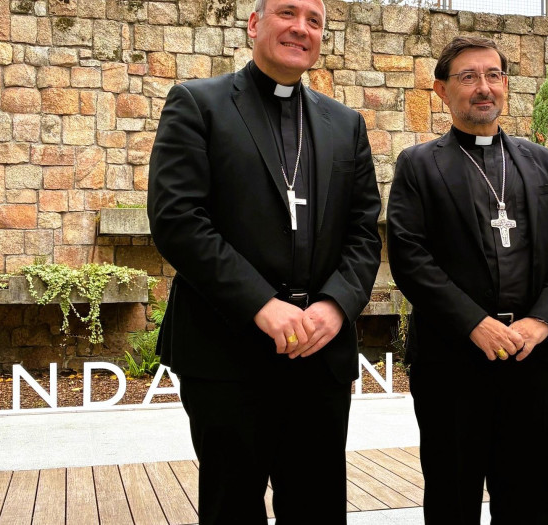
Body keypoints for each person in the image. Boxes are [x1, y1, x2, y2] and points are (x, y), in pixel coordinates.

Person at [146, 0, 382, 521]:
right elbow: (178, 220)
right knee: (232, 506)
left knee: (317, 506)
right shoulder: (198, 104)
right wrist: (262, 305)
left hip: (319, 354)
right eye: (287, 13)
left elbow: (364, 232)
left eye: (314, 21)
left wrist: (335, 307)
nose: (301, 28)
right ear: (254, 24)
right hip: (226, 351)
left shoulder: (346, 125)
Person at [386, 35, 548, 525]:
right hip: (452, 361)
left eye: (493, 75)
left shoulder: (540, 161)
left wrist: (543, 322)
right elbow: (410, 256)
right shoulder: (418, 165)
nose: (483, 88)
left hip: (531, 358)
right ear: (441, 90)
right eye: (468, 76)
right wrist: (474, 323)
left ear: (505, 86)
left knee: (529, 498)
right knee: (453, 497)